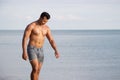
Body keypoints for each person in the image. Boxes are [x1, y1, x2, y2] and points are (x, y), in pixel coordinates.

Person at [22, 12, 60, 80]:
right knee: (35, 68)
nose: (44, 22)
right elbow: (25, 39)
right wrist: (24, 52)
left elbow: (51, 40)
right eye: (43, 21)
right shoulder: (31, 26)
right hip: (32, 49)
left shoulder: (46, 28)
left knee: (38, 70)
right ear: (40, 17)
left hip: (41, 50)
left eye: (46, 21)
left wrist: (56, 50)